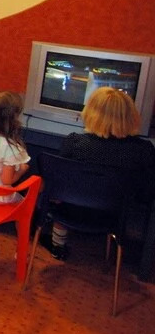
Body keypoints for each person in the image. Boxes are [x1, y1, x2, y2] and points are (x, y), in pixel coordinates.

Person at [45, 87, 155, 260]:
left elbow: (57, 181)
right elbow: (146, 193)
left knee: (57, 192)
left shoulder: (74, 142)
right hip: (115, 215)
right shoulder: (142, 150)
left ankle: (57, 246)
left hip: (70, 211)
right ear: (130, 115)